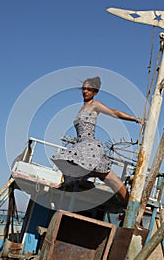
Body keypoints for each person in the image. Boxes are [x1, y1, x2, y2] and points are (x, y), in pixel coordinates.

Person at [51, 76, 142, 208]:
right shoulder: (83, 107)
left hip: (90, 147)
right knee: (102, 177)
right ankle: (66, 198)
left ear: (95, 92)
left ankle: (131, 208)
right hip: (81, 145)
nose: (85, 91)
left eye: (89, 89)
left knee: (111, 180)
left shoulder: (94, 104)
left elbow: (114, 113)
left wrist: (135, 119)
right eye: (84, 88)